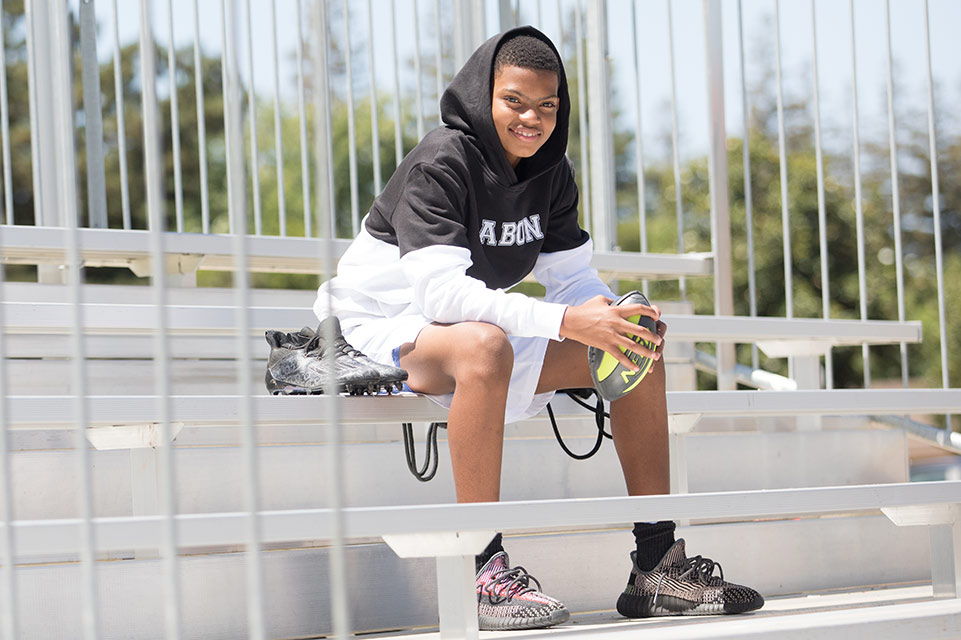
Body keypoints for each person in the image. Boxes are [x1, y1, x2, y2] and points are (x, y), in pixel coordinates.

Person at [314, 25, 763, 630]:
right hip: (374, 328)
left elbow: (573, 278)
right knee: (484, 345)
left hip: (465, 329)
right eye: (515, 102)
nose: (532, 119)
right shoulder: (441, 162)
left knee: (637, 350)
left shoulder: (550, 172)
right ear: (483, 95)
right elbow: (441, 295)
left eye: (547, 106)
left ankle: (657, 566)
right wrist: (567, 322)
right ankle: (482, 567)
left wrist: (612, 314)